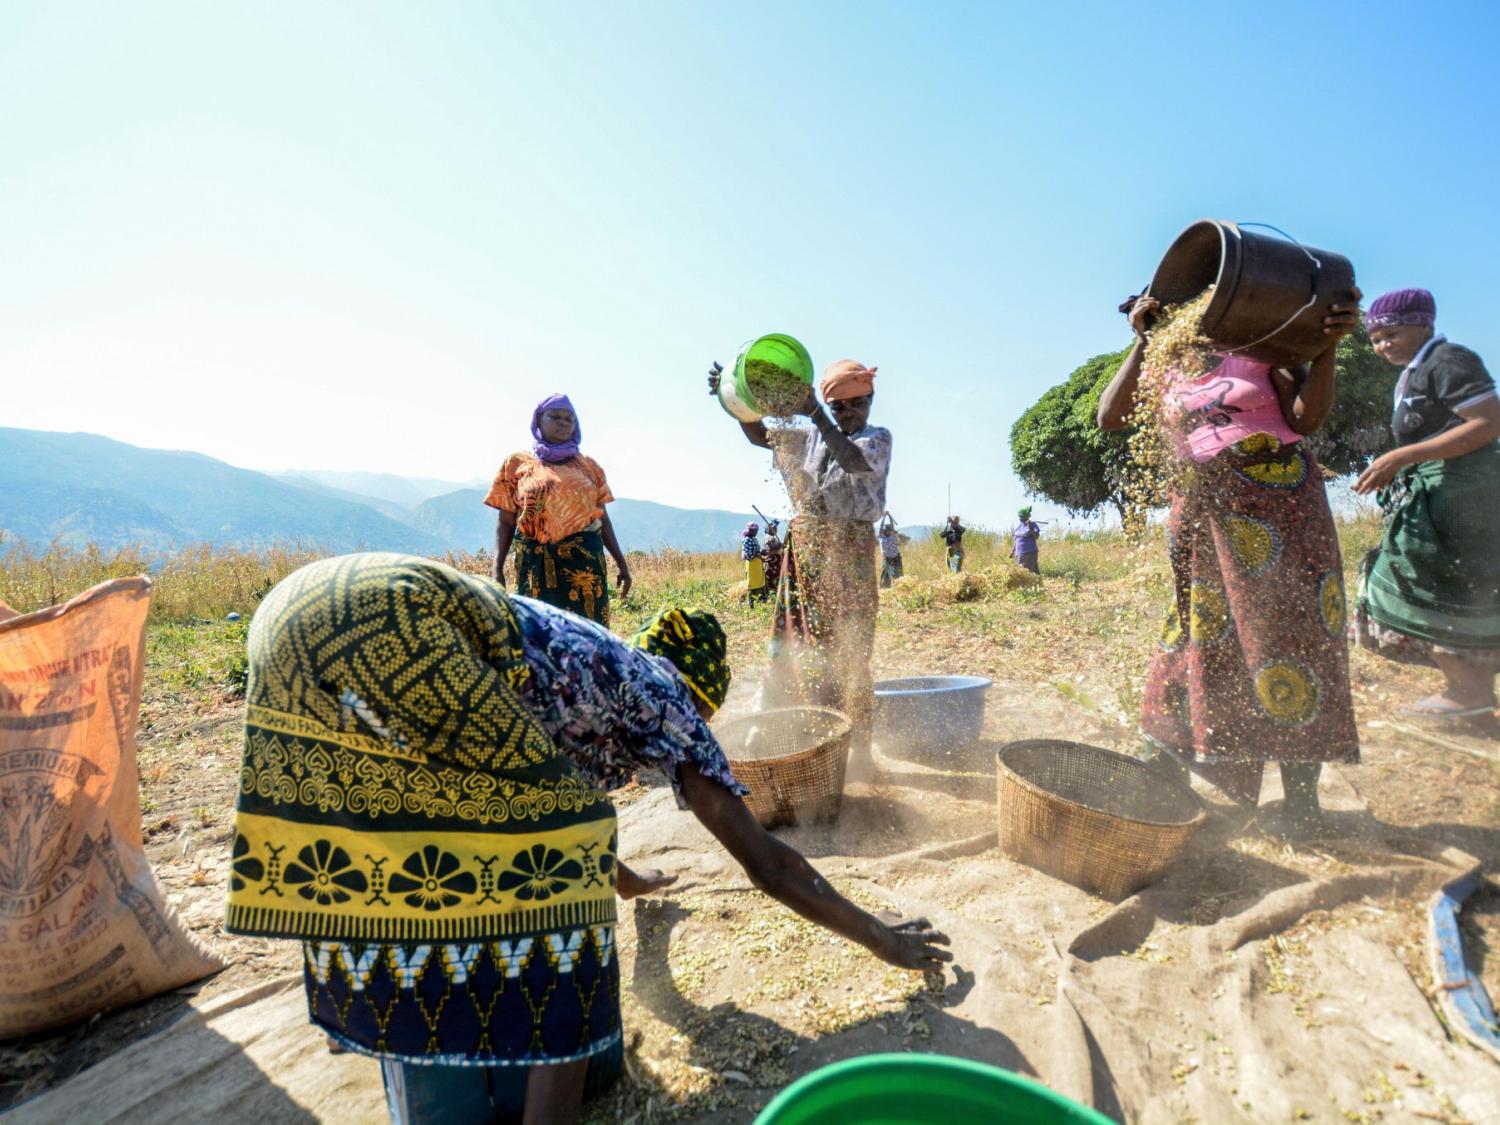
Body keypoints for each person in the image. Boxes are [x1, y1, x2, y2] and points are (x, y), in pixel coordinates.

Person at [226, 554, 950, 1125]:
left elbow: (538, 798)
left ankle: (403, 1042)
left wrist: (632, 884)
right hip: (392, 618)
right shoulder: (669, 699)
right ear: (703, 695)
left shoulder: (586, 665)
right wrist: (882, 938)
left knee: (377, 839)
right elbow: (766, 863)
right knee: (561, 862)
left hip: (293, 618)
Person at [1096, 289, 1363, 837]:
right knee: (1190, 640)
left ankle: (1302, 805)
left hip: (1280, 509)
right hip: (1203, 516)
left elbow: (1305, 417)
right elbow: (1110, 416)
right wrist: (1144, 341)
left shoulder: (1259, 348)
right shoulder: (1164, 363)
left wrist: (1326, 350)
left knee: (1287, 640)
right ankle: (1167, 793)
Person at [707, 358, 892, 761]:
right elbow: (760, 435)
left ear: (870, 400)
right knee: (799, 644)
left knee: (850, 649)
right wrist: (736, 397)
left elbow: (853, 462)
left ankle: (856, 748)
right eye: (839, 406)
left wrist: (817, 414)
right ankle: (806, 738)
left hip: (851, 554)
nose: (848, 413)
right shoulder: (811, 436)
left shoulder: (876, 438)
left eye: (856, 404)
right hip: (807, 554)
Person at [1351, 288, 1500, 722]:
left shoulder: (1448, 360)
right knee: (1459, 587)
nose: (1381, 347)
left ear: (1424, 324)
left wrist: (1401, 457)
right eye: (1375, 339)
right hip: (1445, 491)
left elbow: (1488, 422)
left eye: (1391, 334)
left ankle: (1467, 691)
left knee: (1421, 578)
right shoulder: (1414, 372)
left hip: (1468, 490)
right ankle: (1470, 692)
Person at [486, 393, 632, 625]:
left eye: (569, 418)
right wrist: (497, 568)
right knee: (539, 636)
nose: (563, 422)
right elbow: (505, 522)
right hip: (535, 568)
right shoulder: (516, 463)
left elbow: (602, 518)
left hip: (584, 569)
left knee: (589, 636)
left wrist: (622, 564)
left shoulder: (589, 466)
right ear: (538, 420)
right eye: (554, 416)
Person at [741, 522, 769, 603]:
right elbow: (749, 555)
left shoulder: (753, 539)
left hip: (757, 564)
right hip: (752, 565)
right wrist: (759, 554)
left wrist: (761, 552)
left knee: (759, 582)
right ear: (749, 530)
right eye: (754, 530)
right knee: (752, 583)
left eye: (756, 530)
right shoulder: (747, 540)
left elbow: (756, 551)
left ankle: (761, 600)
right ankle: (751, 602)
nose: (756, 532)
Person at [1013, 507, 1041, 574]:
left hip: (1029, 553)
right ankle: (1037, 583)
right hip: (1019, 554)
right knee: (1023, 572)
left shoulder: (1032, 525)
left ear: (1026, 516)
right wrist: (1013, 551)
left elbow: (1036, 536)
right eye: (1019, 516)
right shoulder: (1019, 526)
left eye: (1021, 516)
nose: (1020, 518)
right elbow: (1016, 540)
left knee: (1026, 573)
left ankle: (1034, 584)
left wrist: (1030, 527)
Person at [879, 514, 904, 587]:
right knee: (886, 576)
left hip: (896, 557)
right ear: (884, 531)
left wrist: (888, 516)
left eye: (888, 530)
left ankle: (900, 586)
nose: (886, 531)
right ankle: (884, 587)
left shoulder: (892, 535)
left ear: (890, 531)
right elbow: (881, 526)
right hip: (887, 559)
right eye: (885, 530)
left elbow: (892, 525)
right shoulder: (882, 537)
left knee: (899, 575)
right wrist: (884, 517)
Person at [763, 519, 783, 592]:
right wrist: (779, 547)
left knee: (774, 581)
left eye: (776, 528)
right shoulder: (769, 538)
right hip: (771, 564)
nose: (776, 530)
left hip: (774, 564)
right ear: (769, 529)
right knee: (772, 581)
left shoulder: (772, 537)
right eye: (774, 528)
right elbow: (769, 551)